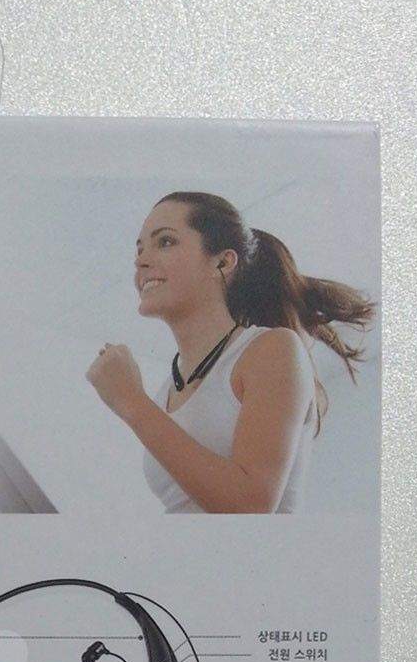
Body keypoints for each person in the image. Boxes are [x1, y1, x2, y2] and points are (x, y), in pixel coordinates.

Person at [85, 191, 375, 513]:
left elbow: (251, 504)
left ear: (222, 262)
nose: (140, 260)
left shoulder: (272, 348)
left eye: (165, 242)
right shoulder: (166, 389)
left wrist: (131, 402)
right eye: (139, 249)